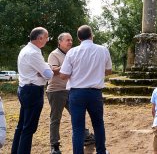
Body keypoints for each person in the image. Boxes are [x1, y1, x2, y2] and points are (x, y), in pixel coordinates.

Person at [60, 25, 112, 154]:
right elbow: (109, 70)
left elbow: (63, 75)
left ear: (78, 38)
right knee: (98, 124)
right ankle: (101, 151)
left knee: (78, 128)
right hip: (95, 93)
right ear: (91, 35)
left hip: (77, 93)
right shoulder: (103, 50)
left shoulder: (72, 52)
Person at [47, 33, 95, 154]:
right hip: (56, 91)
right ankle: (54, 145)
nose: (70, 42)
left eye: (71, 40)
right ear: (60, 42)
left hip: (71, 89)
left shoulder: (72, 52)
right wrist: (68, 64)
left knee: (78, 115)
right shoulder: (54, 54)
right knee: (55, 118)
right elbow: (53, 71)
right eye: (67, 40)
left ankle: (85, 137)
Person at [11, 27, 56, 154]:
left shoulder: (26, 50)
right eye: (46, 37)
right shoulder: (34, 53)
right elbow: (49, 74)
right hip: (33, 91)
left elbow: (44, 71)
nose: (47, 40)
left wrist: (42, 69)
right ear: (40, 38)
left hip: (25, 89)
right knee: (29, 128)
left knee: (22, 126)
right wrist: (46, 68)